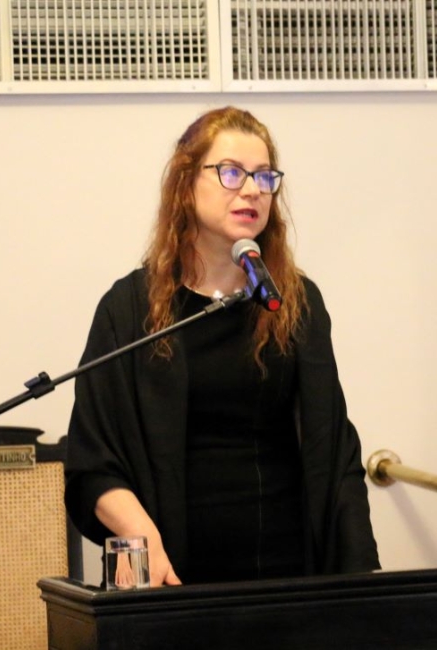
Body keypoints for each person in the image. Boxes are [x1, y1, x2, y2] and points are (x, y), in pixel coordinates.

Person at [64, 106, 379, 587]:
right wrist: (139, 535)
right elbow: (93, 464)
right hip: (175, 578)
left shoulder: (292, 302)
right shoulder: (129, 310)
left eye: (264, 177)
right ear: (185, 184)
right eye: (231, 172)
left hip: (289, 576)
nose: (252, 190)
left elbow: (336, 454)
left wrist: (364, 582)